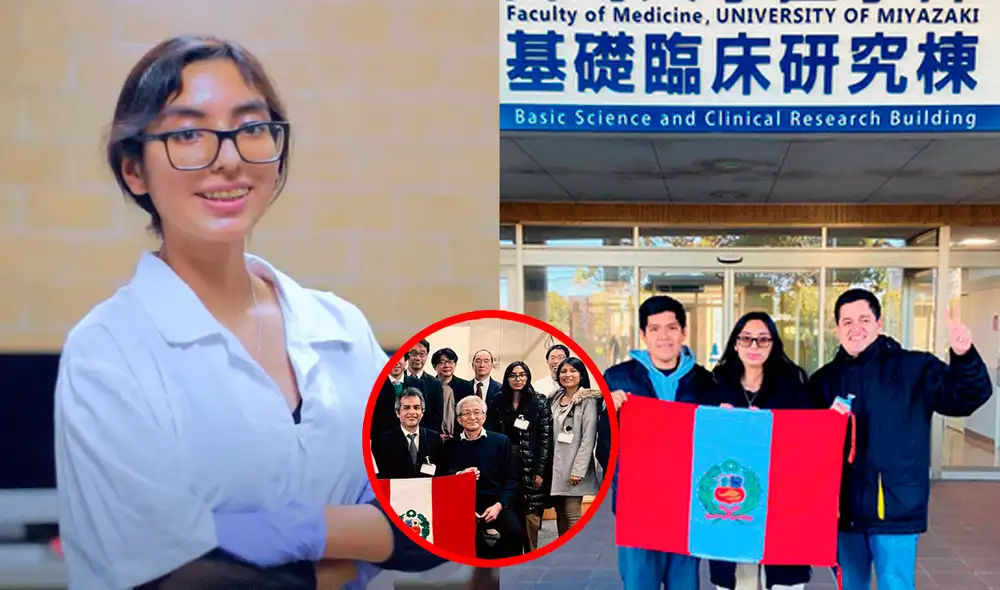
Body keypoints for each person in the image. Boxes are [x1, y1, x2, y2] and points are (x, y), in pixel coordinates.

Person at [53, 35, 442, 590]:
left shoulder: (340, 329)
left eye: (252, 127)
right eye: (188, 133)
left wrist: (294, 533)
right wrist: (352, 558)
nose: (230, 159)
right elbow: (164, 576)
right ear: (134, 169)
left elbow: (446, 515)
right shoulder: (108, 351)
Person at [809, 289, 993, 590]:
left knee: (896, 584)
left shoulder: (914, 368)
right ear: (837, 329)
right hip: (843, 513)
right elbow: (804, 436)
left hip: (894, 508)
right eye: (847, 321)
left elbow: (966, 396)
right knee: (851, 584)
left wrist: (964, 356)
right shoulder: (824, 380)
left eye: (864, 319)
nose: (856, 327)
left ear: (879, 323)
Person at [603, 295, 716, 589]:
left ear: (683, 332)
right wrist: (605, 411)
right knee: (639, 583)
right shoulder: (616, 379)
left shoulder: (706, 382)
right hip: (637, 506)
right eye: (654, 329)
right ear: (643, 335)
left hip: (686, 506)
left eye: (671, 328)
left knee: (685, 585)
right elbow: (594, 438)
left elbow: (715, 440)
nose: (664, 336)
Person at [706, 312, 814, 590]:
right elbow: (702, 443)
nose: (754, 346)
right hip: (732, 501)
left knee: (784, 580)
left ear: (773, 344)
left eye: (763, 340)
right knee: (735, 578)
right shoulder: (715, 386)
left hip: (783, 501)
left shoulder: (794, 387)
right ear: (735, 344)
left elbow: (809, 440)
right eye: (747, 339)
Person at [439, 395, 525, 558]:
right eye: (466, 413)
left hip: (495, 502)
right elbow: (442, 477)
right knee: (470, 541)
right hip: (463, 504)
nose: (472, 417)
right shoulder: (450, 446)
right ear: (459, 420)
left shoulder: (500, 441)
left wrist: (499, 506)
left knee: (516, 534)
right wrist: (460, 475)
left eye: (477, 412)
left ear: (484, 417)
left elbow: (512, 479)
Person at [485, 361, 553, 552]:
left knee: (531, 509)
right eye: (513, 375)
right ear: (507, 378)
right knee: (510, 506)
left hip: (531, 462)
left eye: (522, 375)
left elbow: (545, 439)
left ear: (528, 377)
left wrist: (540, 470)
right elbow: (491, 432)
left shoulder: (539, 401)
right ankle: (512, 553)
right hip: (505, 459)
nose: (518, 379)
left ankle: (531, 553)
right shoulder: (498, 400)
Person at [547, 357, 602, 536]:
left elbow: (588, 438)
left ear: (581, 374)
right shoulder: (554, 398)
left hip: (574, 466)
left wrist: (578, 470)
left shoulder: (588, 399)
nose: (567, 375)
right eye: (563, 371)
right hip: (555, 465)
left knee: (572, 513)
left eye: (573, 371)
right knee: (560, 513)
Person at [371, 388, 443, 480]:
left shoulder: (434, 438)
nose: (412, 412)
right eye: (406, 408)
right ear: (397, 413)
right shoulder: (382, 442)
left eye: (416, 408)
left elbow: (441, 473)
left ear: (422, 412)